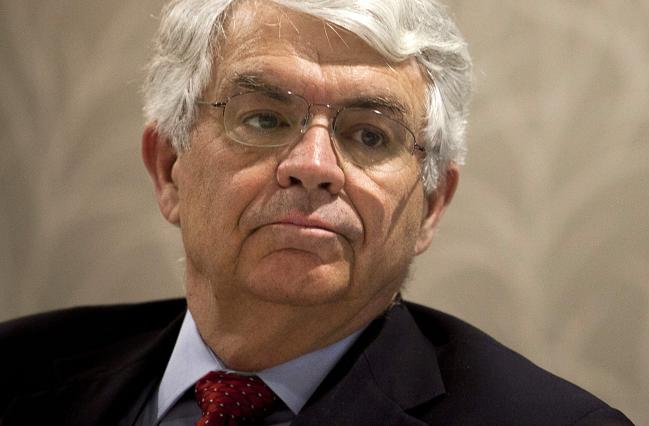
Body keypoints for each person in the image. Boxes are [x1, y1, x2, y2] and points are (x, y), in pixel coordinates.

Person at [0, 0, 634, 425]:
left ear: (432, 205)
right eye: (264, 118)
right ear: (170, 168)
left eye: (369, 135)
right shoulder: (21, 369)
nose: (314, 164)